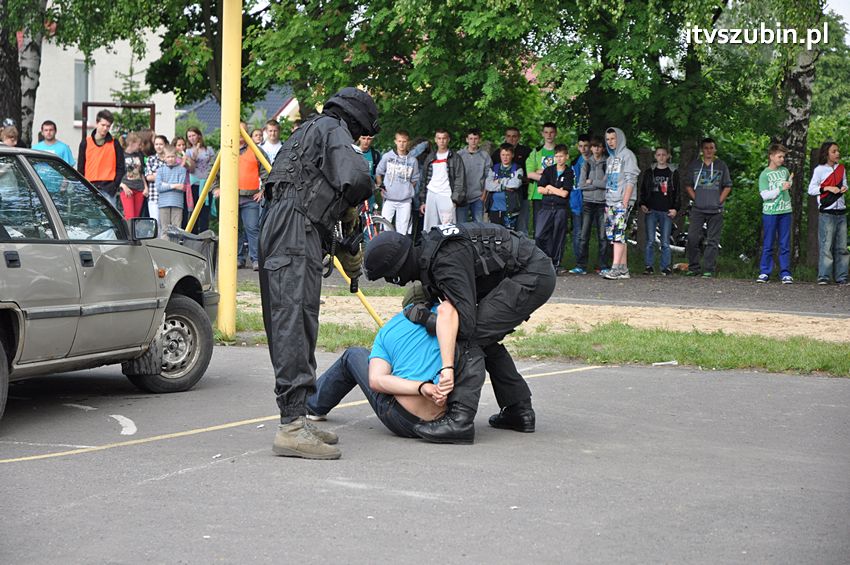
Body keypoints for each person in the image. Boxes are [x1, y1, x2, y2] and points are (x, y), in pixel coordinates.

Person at [260, 87, 378, 460]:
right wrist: (351, 214)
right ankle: (292, 428)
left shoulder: (307, 131)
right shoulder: (332, 130)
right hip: (295, 232)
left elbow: (314, 190)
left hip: (289, 228)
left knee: (297, 318)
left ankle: (297, 417)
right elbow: (357, 178)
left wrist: (340, 234)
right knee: (294, 319)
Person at [363, 223, 557, 444]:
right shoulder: (432, 252)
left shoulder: (445, 260)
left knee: (468, 335)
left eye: (391, 276)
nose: (395, 282)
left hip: (531, 275)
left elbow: (464, 323)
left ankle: (460, 420)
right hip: (527, 269)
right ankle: (518, 410)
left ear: (399, 267)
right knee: (485, 337)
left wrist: (426, 319)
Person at [306, 296, 459, 439]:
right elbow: (448, 309)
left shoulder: (391, 328)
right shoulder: (451, 319)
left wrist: (422, 388)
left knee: (354, 354)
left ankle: (312, 405)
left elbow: (376, 381)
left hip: (403, 419)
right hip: (447, 419)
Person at [683, 138, 733, 278]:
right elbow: (688, 185)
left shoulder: (721, 166)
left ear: (715, 150)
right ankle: (694, 267)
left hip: (715, 210)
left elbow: (728, 185)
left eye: (711, 148)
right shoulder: (695, 165)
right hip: (698, 209)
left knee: (712, 240)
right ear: (702, 150)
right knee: (692, 238)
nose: (709, 150)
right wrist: (696, 198)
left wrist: (719, 201)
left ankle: (708, 269)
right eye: (706, 148)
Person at [807, 141, 848, 285]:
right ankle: (824, 276)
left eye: (838, 151)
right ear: (826, 154)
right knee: (826, 246)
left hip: (841, 212)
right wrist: (827, 188)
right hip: (827, 212)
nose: (837, 153)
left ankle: (841, 277)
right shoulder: (819, 170)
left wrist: (843, 188)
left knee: (842, 247)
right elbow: (811, 189)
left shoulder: (841, 169)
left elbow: (845, 184)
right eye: (834, 151)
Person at [602, 127, 640, 280]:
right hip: (610, 200)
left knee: (618, 233)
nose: (611, 142)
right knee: (614, 235)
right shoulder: (610, 159)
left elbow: (631, 179)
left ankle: (615, 268)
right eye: (608, 139)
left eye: (613, 138)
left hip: (622, 201)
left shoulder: (627, 155)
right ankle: (624, 269)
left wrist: (625, 202)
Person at [756, 144, 794, 284]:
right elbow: (765, 195)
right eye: (779, 156)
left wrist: (788, 185)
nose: (782, 159)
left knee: (784, 243)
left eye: (783, 156)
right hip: (770, 212)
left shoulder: (784, 171)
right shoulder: (764, 175)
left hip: (785, 211)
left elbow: (786, 185)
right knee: (769, 242)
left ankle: (785, 272)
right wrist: (780, 188)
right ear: (771, 156)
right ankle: (765, 271)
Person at [234, 121, 268, 271]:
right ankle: (238, 258)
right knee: (234, 230)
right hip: (231, 198)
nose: (240, 137)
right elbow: (213, 172)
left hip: (250, 198)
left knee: (252, 228)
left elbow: (267, 172)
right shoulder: (226, 150)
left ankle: (255, 259)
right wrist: (217, 188)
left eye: (243, 133)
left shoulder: (256, 151)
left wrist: (263, 190)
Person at [639, 147, 679, 275]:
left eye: (663, 155)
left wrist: (675, 208)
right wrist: (642, 203)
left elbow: (678, 192)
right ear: (655, 156)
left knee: (665, 241)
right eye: (658, 155)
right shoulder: (649, 172)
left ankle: (665, 267)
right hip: (652, 209)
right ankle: (649, 266)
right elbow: (643, 189)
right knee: (650, 240)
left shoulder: (673, 172)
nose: (661, 157)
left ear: (668, 156)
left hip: (666, 210)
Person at [573, 136, 609, 274]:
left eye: (598, 146)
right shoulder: (586, 164)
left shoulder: (608, 163)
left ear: (602, 148)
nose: (596, 149)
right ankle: (581, 266)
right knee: (583, 235)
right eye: (594, 147)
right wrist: (596, 184)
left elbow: (607, 184)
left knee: (603, 237)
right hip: (588, 203)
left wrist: (592, 182)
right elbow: (581, 185)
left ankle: (603, 266)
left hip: (602, 203)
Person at [535, 144, 573, 273]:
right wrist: (555, 189)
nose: (559, 159)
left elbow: (565, 193)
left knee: (558, 236)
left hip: (560, 209)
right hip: (546, 208)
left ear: (566, 157)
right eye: (556, 156)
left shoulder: (569, 172)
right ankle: (545, 260)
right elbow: (540, 189)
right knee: (539, 235)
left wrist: (550, 188)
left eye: (561, 156)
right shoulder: (548, 170)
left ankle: (556, 264)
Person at [418, 129, 466, 232]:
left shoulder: (455, 158)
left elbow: (460, 179)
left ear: (448, 140)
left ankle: (449, 248)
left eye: (444, 138)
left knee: (448, 227)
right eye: (439, 138)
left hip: (447, 195)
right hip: (431, 194)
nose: (442, 141)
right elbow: (424, 179)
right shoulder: (430, 157)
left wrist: (455, 199)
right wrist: (423, 201)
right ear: (435, 140)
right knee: (429, 227)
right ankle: (431, 247)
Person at [77, 109, 125, 207]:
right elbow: (80, 168)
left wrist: (115, 185)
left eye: (108, 126)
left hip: (108, 188)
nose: (105, 128)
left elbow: (121, 167)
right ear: (97, 123)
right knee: (92, 221)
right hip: (90, 188)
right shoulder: (85, 143)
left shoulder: (115, 143)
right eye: (103, 125)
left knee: (109, 222)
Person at [375, 129, 419, 235]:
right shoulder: (387, 157)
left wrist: (407, 190)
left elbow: (414, 179)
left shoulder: (413, 160)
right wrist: (381, 186)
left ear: (408, 142)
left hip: (405, 201)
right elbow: (378, 172)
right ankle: (385, 249)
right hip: (389, 198)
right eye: (399, 141)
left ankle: (399, 250)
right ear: (395, 141)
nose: (402, 144)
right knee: (385, 227)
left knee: (402, 229)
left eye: (404, 141)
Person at [493, 127, 532, 235]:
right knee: (502, 230)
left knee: (522, 227)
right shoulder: (497, 153)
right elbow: (492, 177)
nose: (511, 138)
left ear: (519, 137)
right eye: (509, 136)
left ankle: (523, 251)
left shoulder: (526, 152)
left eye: (514, 136)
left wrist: (519, 180)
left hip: (521, 195)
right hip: (501, 199)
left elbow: (530, 174)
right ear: (505, 137)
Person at [525, 122, 559, 235]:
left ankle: (551, 252)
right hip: (538, 195)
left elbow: (562, 173)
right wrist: (550, 175)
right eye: (546, 132)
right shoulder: (536, 152)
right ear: (542, 134)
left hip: (556, 194)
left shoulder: (560, 152)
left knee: (553, 227)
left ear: (556, 133)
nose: (549, 135)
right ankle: (538, 252)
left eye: (551, 132)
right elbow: (529, 174)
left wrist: (540, 172)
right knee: (538, 228)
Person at [183, 127, 216, 233]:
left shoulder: (209, 149)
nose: (192, 138)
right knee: (194, 211)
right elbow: (191, 169)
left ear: (199, 135)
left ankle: (204, 234)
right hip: (195, 183)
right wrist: (194, 155)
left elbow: (213, 165)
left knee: (205, 212)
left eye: (193, 135)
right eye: (189, 136)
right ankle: (193, 235)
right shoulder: (188, 151)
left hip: (207, 183)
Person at [456, 128, 492, 223]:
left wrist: (484, 195)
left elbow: (488, 177)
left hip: (478, 197)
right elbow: (454, 176)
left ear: (479, 140)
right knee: (461, 225)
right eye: (471, 138)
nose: (473, 141)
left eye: (476, 138)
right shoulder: (459, 155)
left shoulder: (485, 156)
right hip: (462, 197)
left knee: (479, 226)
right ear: (467, 139)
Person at [484, 143, 524, 228]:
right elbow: (488, 185)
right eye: (503, 155)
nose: (505, 157)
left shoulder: (518, 168)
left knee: (509, 235)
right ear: (500, 155)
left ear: (512, 155)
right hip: (494, 209)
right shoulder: (494, 168)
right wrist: (504, 186)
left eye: (508, 155)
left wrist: (499, 181)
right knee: (495, 235)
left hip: (510, 210)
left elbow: (516, 184)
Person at [567, 135, 590, 268]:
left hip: (594, 201)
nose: (583, 149)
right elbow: (575, 185)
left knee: (600, 234)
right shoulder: (575, 163)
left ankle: (601, 263)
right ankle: (580, 263)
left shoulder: (596, 161)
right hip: (578, 203)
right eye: (581, 146)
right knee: (578, 233)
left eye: (586, 146)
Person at [154, 144, 186, 235]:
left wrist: (166, 185)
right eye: (168, 157)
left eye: (172, 156)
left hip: (177, 203)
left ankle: (175, 248)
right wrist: (174, 185)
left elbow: (181, 186)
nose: (170, 159)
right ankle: (165, 248)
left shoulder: (182, 170)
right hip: (163, 203)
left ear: (176, 156)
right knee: (164, 229)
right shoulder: (160, 170)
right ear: (164, 157)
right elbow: (159, 187)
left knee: (177, 229)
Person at [119, 132, 148, 220]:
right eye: (138, 144)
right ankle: (129, 234)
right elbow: (115, 174)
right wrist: (123, 186)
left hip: (139, 189)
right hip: (127, 188)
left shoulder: (139, 155)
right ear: (132, 143)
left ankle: (133, 234)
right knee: (130, 217)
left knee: (136, 218)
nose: (139, 146)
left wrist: (146, 187)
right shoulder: (121, 155)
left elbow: (141, 172)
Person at [144, 135, 169, 225]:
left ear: (165, 145)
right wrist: (163, 176)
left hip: (167, 197)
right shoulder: (151, 159)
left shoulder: (170, 159)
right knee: (155, 223)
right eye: (156, 144)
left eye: (161, 144)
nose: (158, 146)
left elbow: (171, 177)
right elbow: (149, 177)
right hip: (154, 196)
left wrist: (156, 175)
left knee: (165, 224)